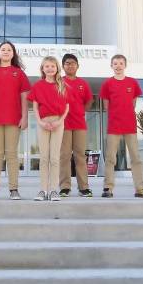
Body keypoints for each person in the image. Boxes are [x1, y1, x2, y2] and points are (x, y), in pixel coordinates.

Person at [0, 41, 30, 200]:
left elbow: (24, 97)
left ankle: (13, 189)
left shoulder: (19, 73)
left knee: (12, 155)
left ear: (13, 53)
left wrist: (25, 116)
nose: (6, 51)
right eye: (3, 49)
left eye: (9, 49)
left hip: (14, 119)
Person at [99, 54, 143, 198]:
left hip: (130, 125)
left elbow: (133, 103)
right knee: (111, 158)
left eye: (120, 63)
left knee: (136, 157)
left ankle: (140, 189)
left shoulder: (132, 82)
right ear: (111, 66)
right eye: (115, 63)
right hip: (114, 126)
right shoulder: (107, 84)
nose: (118, 66)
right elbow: (106, 106)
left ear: (125, 65)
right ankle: (108, 188)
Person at [28, 56, 69, 201]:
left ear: (57, 68)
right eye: (47, 66)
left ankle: (53, 190)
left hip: (58, 122)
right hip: (43, 122)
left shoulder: (62, 85)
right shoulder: (38, 85)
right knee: (44, 158)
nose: (50, 68)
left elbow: (67, 107)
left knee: (54, 158)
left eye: (52, 66)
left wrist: (60, 121)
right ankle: (43, 190)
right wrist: (40, 121)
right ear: (42, 69)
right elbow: (34, 106)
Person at [59, 54, 93, 197]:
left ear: (77, 66)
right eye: (67, 63)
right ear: (63, 66)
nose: (70, 66)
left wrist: (80, 111)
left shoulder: (83, 83)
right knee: (64, 156)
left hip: (79, 124)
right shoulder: (59, 82)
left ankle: (83, 187)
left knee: (80, 156)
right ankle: (65, 187)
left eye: (73, 63)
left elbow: (89, 101)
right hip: (63, 124)